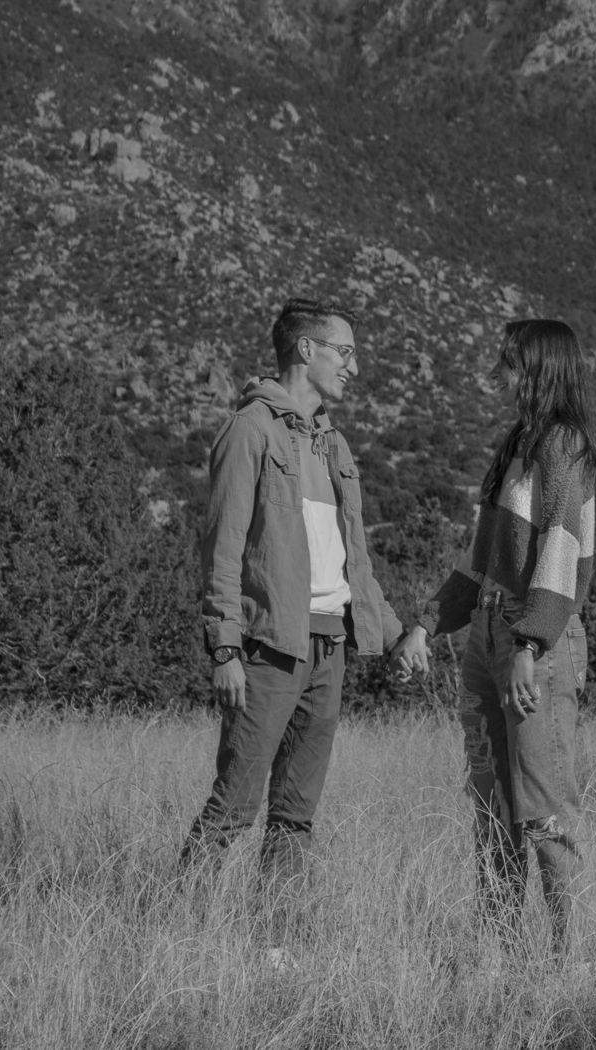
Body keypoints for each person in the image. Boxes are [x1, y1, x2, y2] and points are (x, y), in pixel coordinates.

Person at [182, 297, 427, 904]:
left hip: (330, 647)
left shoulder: (334, 445)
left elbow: (353, 563)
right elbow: (222, 549)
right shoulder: (250, 430)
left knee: (296, 815)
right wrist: (225, 648)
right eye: (344, 353)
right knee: (234, 806)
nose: (353, 368)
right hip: (268, 648)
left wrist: (394, 634)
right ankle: (175, 930)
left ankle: (278, 940)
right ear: (305, 348)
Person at [393, 318, 596, 957]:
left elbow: (560, 551)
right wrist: (426, 623)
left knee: (544, 809)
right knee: (492, 811)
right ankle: (502, 959)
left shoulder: (563, 444)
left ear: (540, 369)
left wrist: (529, 645)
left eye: (510, 364)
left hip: (533, 642)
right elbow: (480, 561)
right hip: (490, 634)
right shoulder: (518, 444)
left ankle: (570, 963)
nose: (500, 376)